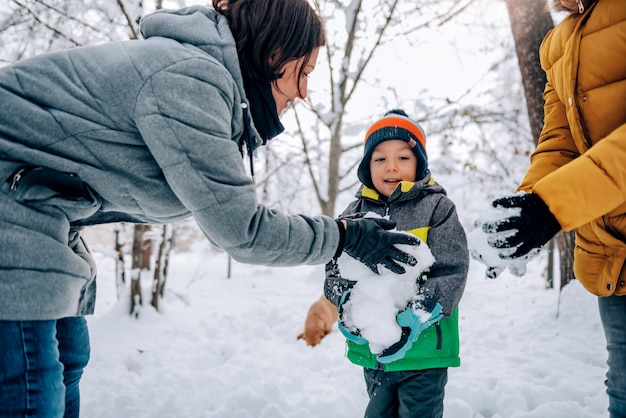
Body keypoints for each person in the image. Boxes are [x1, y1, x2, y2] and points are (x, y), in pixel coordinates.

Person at [0, 1, 421, 416]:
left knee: (68, 359)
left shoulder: (198, 81)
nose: (303, 93)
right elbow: (244, 230)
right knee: (32, 386)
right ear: (275, 53)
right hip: (14, 213)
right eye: (304, 73)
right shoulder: (188, 77)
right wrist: (347, 237)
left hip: (41, 214)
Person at [474, 0, 626, 416]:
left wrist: (553, 206)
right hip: (614, 254)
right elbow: (559, 142)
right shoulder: (559, 42)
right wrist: (527, 207)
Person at [324, 109, 469, 418]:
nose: (391, 166)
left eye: (403, 158)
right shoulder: (353, 214)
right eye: (379, 159)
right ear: (367, 166)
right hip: (374, 351)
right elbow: (334, 273)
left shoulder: (436, 208)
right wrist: (347, 307)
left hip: (425, 353)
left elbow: (452, 269)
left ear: (419, 164)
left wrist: (416, 317)